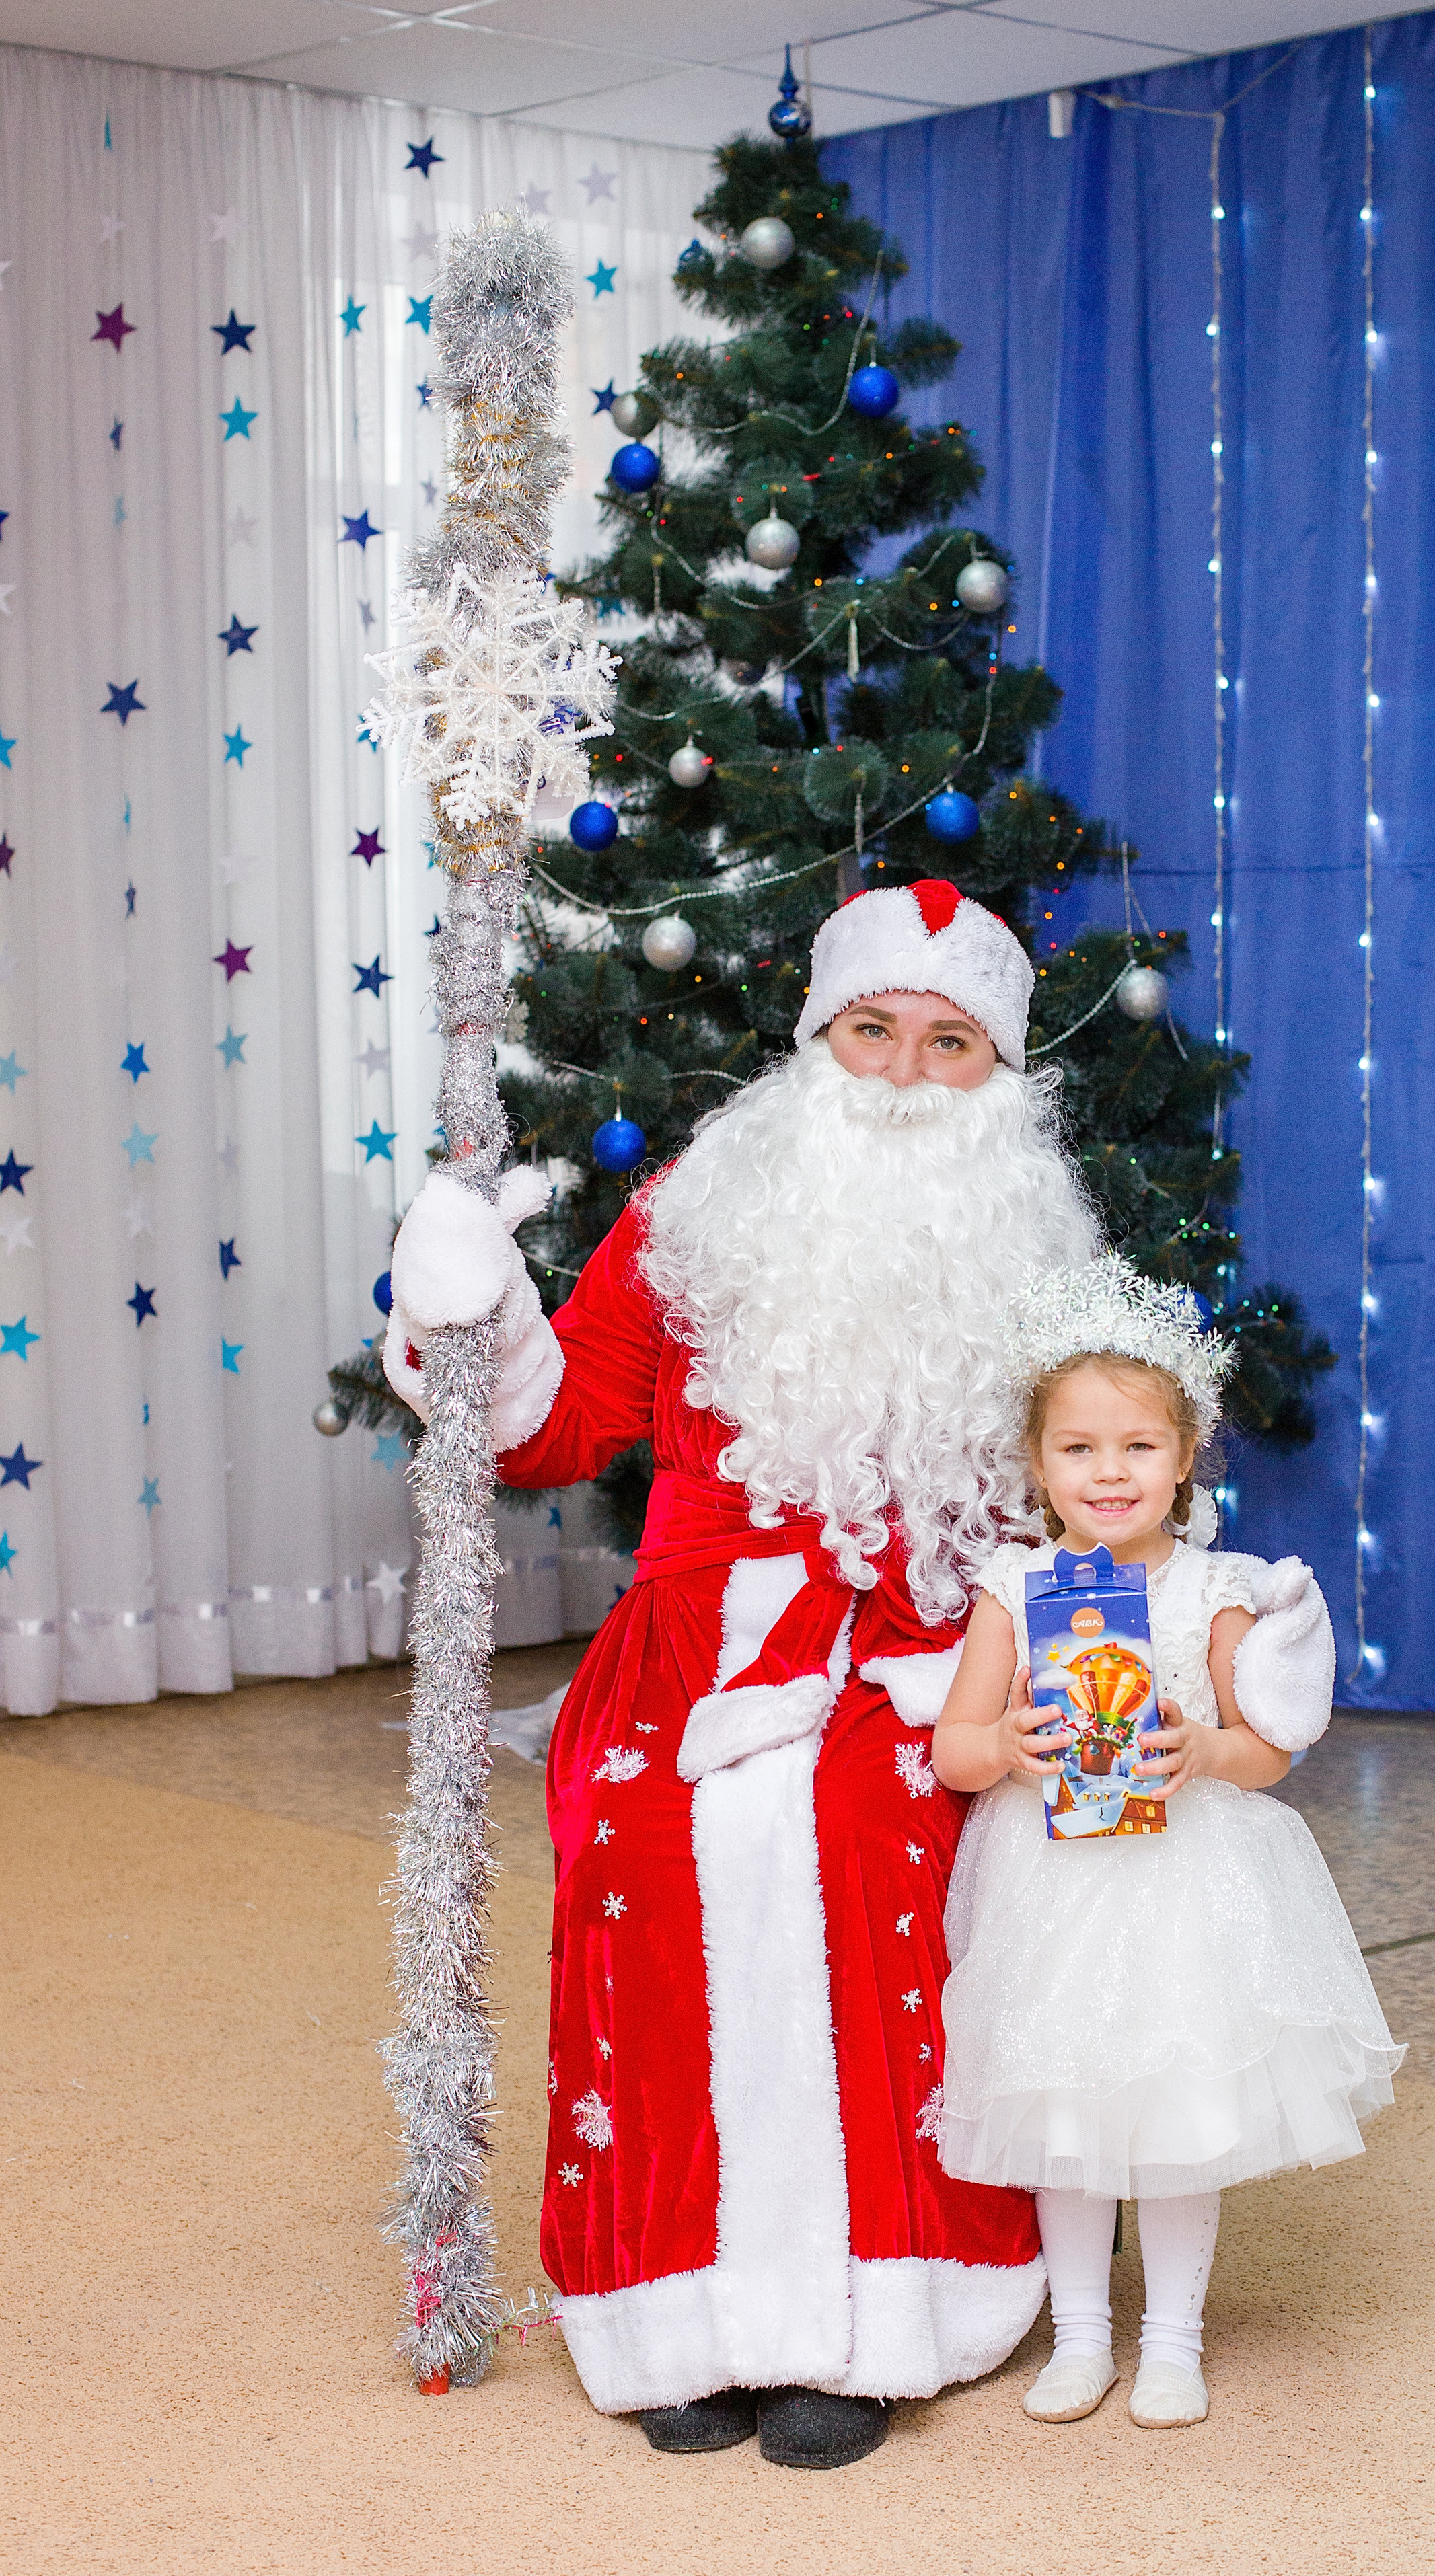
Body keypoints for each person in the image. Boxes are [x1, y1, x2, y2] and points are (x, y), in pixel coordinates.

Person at [382, 880, 1103, 2469]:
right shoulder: (698, 1211)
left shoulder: (1037, 1253)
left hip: (930, 1644)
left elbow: (1094, 1487)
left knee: (867, 1836)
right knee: (644, 1844)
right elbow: (555, 1432)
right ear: (812, 1042)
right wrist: (473, 1307)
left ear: (1002, 1071)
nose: (904, 1076)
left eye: (947, 1043)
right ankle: (678, 2308)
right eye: (869, 1033)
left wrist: (1090, 1678)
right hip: (697, 1638)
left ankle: (874, 2320)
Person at [931, 1258, 1403, 2431]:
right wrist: (1010, 1740)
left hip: (1187, 1881)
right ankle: (1082, 2336)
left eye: (1138, 1448)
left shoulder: (1220, 1590)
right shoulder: (1018, 1586)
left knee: (1182, 2111)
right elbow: (951, 1746)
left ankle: (1173, 2341)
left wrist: (1202, 1749)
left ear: (1185, 1458)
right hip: (1052, 1884)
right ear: (1039, 1465)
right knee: (1068, 2114)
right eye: (1080, 1449)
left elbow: (1270, 1748)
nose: (1109, 1473)